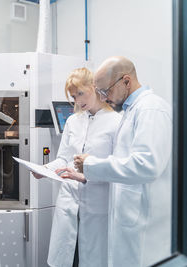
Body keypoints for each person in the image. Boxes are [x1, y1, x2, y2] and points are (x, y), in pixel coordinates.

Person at [62, 56, 172, 267]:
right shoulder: (131, 111)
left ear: (126, 81)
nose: (103, 97)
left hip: (145, 225)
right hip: (129, 219)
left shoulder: (150, 110)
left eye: (106, 91)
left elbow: (146, 165)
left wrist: (92, 165)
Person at [33, 67, 121, 267]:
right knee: (67, 258)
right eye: (73, 96)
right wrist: (45, 169)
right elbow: (64, 158)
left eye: (81, 93)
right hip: (69, 202)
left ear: (95, 87)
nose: (77, 100)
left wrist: (86, 176)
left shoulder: (116, 122)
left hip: (98, 204)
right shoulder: (73, 121)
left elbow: (118, 167)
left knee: (92, 259)